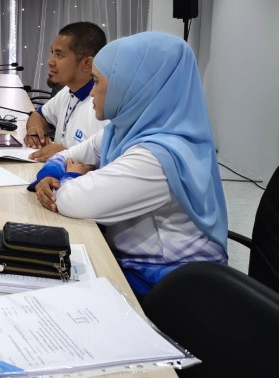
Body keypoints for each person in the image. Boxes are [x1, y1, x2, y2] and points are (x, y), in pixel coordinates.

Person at [32, 31, 228, 296]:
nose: (93, 92)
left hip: (170, 286)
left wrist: (68, 177)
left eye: (97, 82)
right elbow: (68, 156)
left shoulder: (158, 156)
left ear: (132, 87)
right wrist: (54, 173)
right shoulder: (123, 129)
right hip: (133, 263)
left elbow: (72, 200)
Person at [24, 21, 108, 161]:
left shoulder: (103, 109)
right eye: (52, 52)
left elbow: (108, 166)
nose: (50, 62)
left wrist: (67, 155)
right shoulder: (67, 91)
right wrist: (35, 130)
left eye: (59, 55)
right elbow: (39, 115)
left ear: (87, 63)